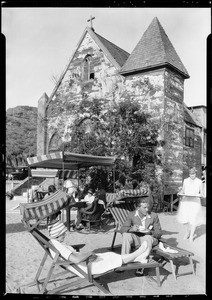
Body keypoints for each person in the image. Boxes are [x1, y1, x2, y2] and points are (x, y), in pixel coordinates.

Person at [47, 220, 150, 277]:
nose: (65, 234)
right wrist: (89, 253)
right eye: (63, 233)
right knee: (111, 257)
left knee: (110, 255)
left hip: (81, 263)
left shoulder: (54, 243)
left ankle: (138, 258)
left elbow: (74, 257)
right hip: (83, 266)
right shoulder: (59, 246)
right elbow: (76, 259)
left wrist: (87, 254)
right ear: (58, 234)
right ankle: (138, 253)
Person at [120, 196, 162, 276]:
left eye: (148, 207)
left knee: (147, 238)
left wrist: (150, 232)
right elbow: (122, 229)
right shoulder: (132, 215)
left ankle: (141, 266)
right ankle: (123, 260)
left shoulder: (153, 216)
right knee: (126, 235)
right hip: (137, 238)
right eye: (144, 207)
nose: (147, 210)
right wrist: (132, 229)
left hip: (149, 238)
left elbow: (159, 233)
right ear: (138, 207)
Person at [177, 167, 204, 242]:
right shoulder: (185, 180)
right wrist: (179, 193)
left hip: (195, 202)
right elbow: (183, 190)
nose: (192, 175)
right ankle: (187, 231)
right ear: (189, 174)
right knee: (185, 219)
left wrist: (202, 195)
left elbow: (201, 192)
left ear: (196, 174)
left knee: (193, 219)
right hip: (186, 201)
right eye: (191, 174)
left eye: (193, 174)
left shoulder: (199, 181)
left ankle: (191, 236)